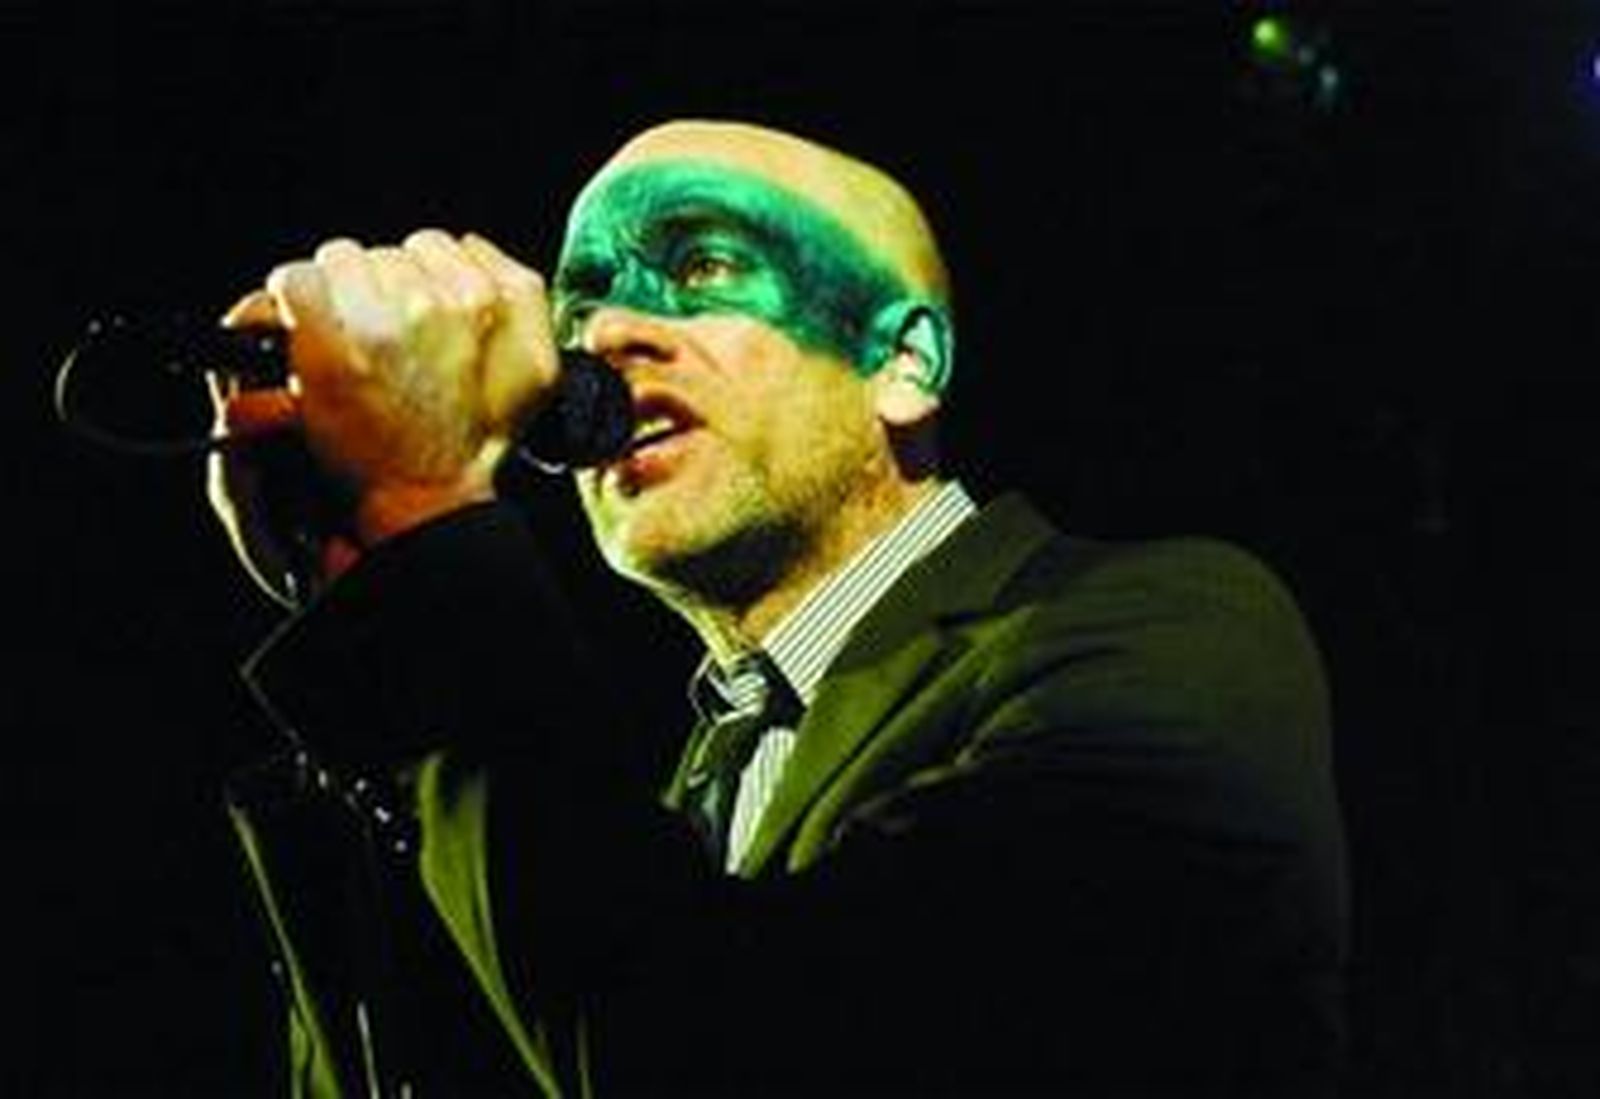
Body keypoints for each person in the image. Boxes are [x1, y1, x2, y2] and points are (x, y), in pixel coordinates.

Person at [212, 119, 1348, 1097]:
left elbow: (754, 1049)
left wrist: (424, 517)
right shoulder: (670, 810)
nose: (602, 338)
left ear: (903, 361)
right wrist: (356, 578)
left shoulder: (1169, 633)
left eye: (703, 265)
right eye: (581, 305)